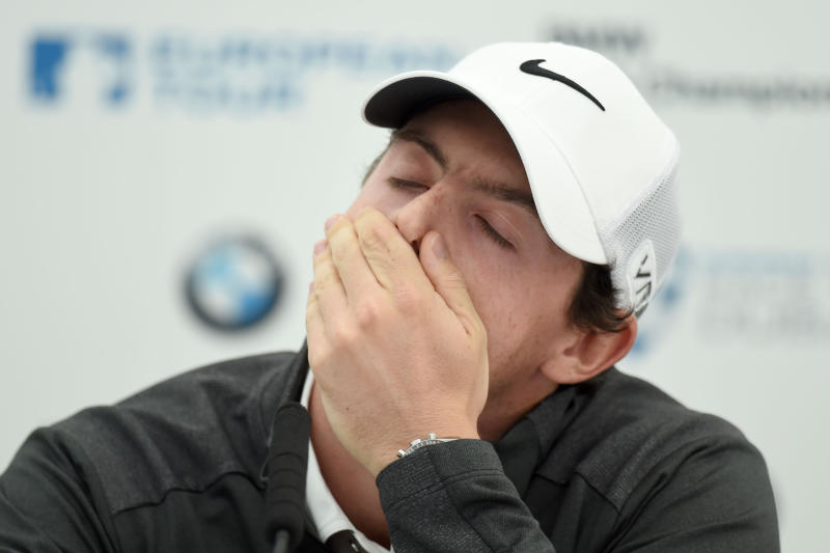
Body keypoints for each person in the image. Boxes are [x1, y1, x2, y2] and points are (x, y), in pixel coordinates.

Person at [0, 42, 778, 553]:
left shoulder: (680, 486)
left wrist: (425, 451)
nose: (407, 226)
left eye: (492, 227)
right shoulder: (100, 478)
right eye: (406, 176)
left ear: (587, 344)